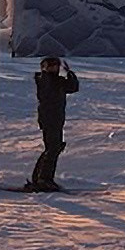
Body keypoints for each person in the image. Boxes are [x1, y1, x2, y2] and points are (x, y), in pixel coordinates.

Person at [27, 56, 78, 192]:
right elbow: (49, 86)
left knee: (54, 148)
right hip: (48, 119)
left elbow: (73, 88)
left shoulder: (58, 81)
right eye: (50, 66)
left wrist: (70, 73)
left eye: (55, 65)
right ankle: (42, 178)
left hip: (57, 118)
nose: (53, 68)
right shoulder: (44, 80)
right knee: (53, 148)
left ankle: (42, 177)